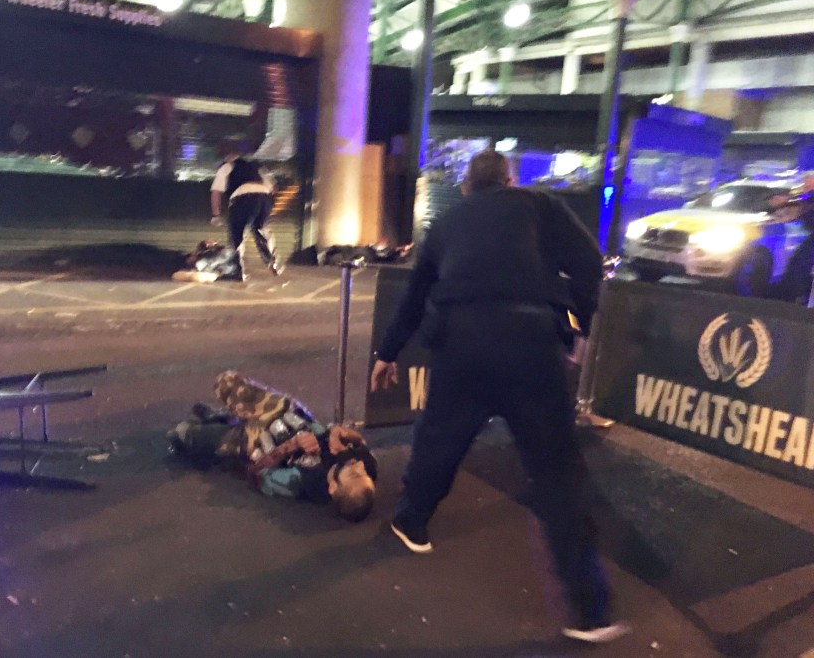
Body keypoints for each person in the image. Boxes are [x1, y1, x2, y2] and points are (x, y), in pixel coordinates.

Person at [369, 150, 626, 643]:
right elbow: (588, 263)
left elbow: (416, 293)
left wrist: (388, 352)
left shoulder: (446, 222)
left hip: (463, 339)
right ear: (509, 180)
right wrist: (576, 326)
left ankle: (412, 522)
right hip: (531, 339)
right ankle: (590, 611)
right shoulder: (538, 204)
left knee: (439, 438)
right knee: (555, 471)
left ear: (467, 185)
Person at [170, 371, 378, 522]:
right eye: (363, 472)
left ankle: (221, 422)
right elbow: (360, 441)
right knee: (225, 381)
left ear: (333, 487)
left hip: (256, 439)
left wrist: (292, 445)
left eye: (353, 474)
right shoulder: (366, 465)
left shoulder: (302, 481)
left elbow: (257, 474)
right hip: (286, 413)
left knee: (182, 432)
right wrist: (338, 433)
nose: (357, 465)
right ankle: (226, 417)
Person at [210, 143, 281, 280]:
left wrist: (216, 214)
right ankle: (273, 262)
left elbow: (216, 192)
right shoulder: (257, 166)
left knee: (237, 233)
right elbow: (274, 188)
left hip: (243, 198)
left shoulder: (226, 166)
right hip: (264, 197)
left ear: (228, 157)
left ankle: (237, 270)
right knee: (261, 230)